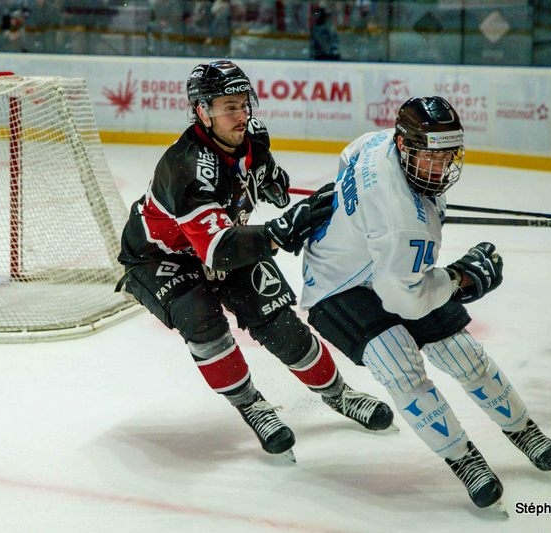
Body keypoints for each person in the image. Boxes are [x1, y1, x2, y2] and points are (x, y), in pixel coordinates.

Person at [116, 60, 394, 460]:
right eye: (229, 106)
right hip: (161, 257)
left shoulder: (251, 138)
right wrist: (279, 231)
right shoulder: (186, 168)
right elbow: (219, 250)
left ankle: (338, 394)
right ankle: (252, 405)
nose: (242, 114)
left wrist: (273, 183)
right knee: (204, 324)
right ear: (202, 112)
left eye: (244, 103)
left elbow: (265, 177)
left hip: (218, 240)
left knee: (280, 323)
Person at [300, 96, 551, 508]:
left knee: (463, 354)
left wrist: (363, 222)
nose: (441, 167)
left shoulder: (375, 142)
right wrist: (461, 279)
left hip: (383, 262)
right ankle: (464, 459)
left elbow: (349, 162)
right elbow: (405, 300)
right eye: (430, 158)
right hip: (337, 287)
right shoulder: (402, 222)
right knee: (400, 365)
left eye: (447, 155)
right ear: (404, 147)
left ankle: (523, 430)